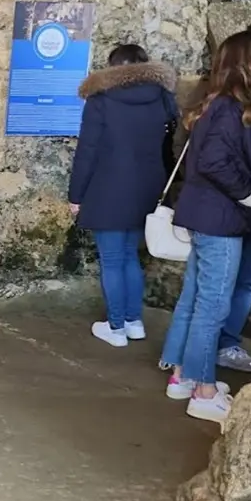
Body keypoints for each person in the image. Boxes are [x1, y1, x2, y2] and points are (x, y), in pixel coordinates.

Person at [159, 30, 251, 424]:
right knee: (213, 306)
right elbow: (215, 162)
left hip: (202, 216)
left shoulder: (214, 104)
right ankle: (204, 391)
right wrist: (248, 194)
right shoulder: (231, 108)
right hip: (220, 221)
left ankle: (181, 375)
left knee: (195, 298)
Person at [68, 44, 177, 347]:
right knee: (130, 256)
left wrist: (76, 196)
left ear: (113, 67)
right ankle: (134, 321)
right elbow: (170, 147)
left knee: (112, 260)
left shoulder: (101, 99)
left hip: (108, 189)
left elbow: (87, 152)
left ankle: (116, 328)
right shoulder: (163, 97)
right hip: (148, 189)